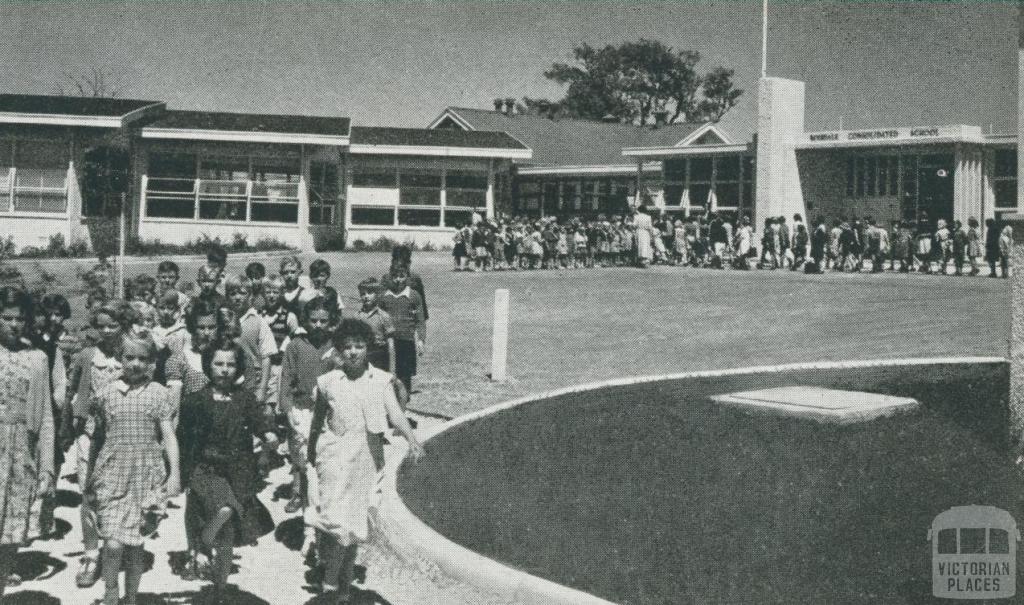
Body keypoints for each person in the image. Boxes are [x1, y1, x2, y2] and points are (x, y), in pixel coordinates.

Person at [306, 319, 425, 603]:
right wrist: (311, 452)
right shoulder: (328, 382)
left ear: (368, 348)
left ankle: (342, 589)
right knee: (337, 524)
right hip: (335, 459)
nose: (353, 352)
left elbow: (395, 414)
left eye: (359, 346)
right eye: (346, 347)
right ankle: (330, 580)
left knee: (355, 527)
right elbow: (317, 420)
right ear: (338, 350)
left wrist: (411, 439)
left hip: (367, 461)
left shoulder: (381, 381)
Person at [179, 340, 276, 603]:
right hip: (205, 469)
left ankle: (220, 589)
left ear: (239, 367)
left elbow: (258, 420)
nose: (224, 370)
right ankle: (201, 541)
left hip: (237, 470)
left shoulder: (244, 398)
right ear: (208, 366)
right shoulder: (195, 400)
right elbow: (184, 439)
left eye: (231, 364)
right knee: (225, 509)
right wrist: (180, 475)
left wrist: (268, 434)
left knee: (228, 535)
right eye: (218, 364)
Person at [86, 335, 181, 605]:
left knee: (136, 546)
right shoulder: (105, 393)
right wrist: (90, 478)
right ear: (120, 358)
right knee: (113, 544)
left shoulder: (159, 393)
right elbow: (96, 439)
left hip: (145, 476)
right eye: (130, 357)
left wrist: (174, 474)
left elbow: (169, 436)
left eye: (143, 359)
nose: (136, 364)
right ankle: (110, 592)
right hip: (112, 473)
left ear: (152, 362)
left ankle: (131, 597)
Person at [64, 302, 129, 588]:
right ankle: (92, 555)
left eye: (112, 325)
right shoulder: (87, 355)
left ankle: (118, 548)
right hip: (90, 433)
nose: (105, 331)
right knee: (88, 493)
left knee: (120, 494)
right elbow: (71, 389)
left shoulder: (133, 352)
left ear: (124, 324)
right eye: (100, 325)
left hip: (123, 435)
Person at [0, 288, 55, 598]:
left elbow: (46, 416)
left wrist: (47, 466)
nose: (14, 324)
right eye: (6, 318)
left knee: (10, 535)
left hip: (21, 452)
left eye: (20, 318)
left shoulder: (37, 358)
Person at [280, 298, 337, 521]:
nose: (319, 325)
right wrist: (288, 410)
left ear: (331, 321)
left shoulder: (337, 346)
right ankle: (307, 514)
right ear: (305, 321)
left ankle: (327, 514)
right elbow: (286, 382)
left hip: (330, 414)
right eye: (313, 321)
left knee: (328, 465)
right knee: (305, 465)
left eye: (324, 321)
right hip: (302, 412)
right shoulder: (295, 346)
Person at [378, 264, 426, 399]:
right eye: (394, 276)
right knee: (387, 376)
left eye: (402, 276)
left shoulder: (414, 295)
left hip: (406, 342)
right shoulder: (383, 296)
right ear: (389, 277)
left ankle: (403, 409)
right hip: (387, 343)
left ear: (407, 277)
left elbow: (420, 320)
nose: (398, 280)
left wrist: (421, 340)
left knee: (404, 378)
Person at [355, 278, 396, 373]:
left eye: (369, 293)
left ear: (377, 294)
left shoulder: (383, 316)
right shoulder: (357, 316)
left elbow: (391, 345)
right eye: (363, 294)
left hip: (380, 357)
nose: (366, 296)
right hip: (362, 357)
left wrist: (392, 369)